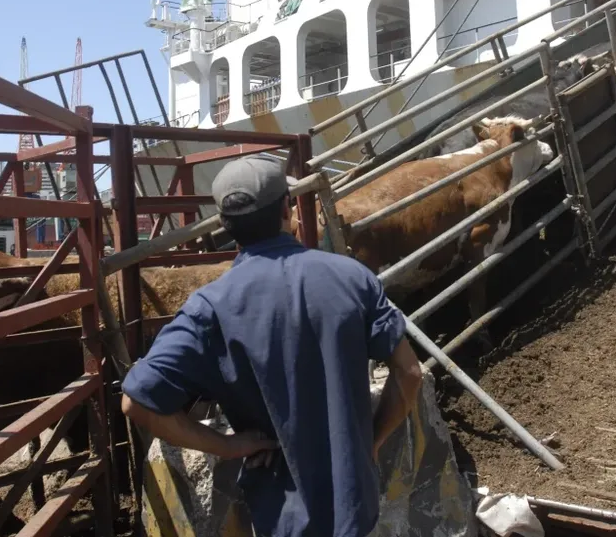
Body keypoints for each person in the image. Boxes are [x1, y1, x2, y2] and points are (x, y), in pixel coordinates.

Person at [121, 153, 424, 537]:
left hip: (281, 514)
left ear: (226, 226)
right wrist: (372, 443)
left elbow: (136, 403)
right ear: (288, 208)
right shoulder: (353, 277)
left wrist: (227, 447)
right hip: (355, 506)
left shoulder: (210, 307)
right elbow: (410, 373)